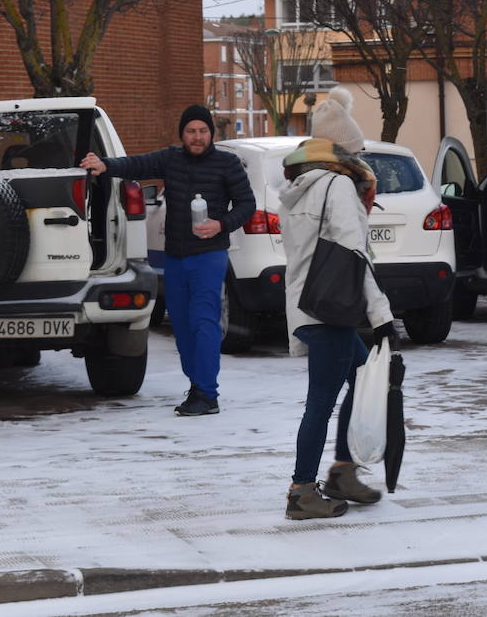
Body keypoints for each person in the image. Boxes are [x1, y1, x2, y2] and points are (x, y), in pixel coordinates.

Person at [81, 105, 254, 416]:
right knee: (183, 325)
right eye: (191, 131)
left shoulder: (226, 163)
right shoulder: (171, 159)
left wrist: (221, 224)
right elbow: (136, 164)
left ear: (211, 134)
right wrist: (104, 165)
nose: (197, 137)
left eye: (203, 131)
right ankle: (197, 384)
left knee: (203, 321)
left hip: (209, 255)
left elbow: (246, 204)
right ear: (182, 134)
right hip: (175, 257)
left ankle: (207, 392)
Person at [277, 89, 397, 520]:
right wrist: (382, 317)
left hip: (308, 303)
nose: (364, 162)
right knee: (321, 402)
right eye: (359, 153)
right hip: (330, 309)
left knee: (365, 376)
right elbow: (354, 255)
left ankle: (343, 472)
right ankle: (301, 492)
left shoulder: (298, 186)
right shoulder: (339, 186)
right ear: (344, 151)